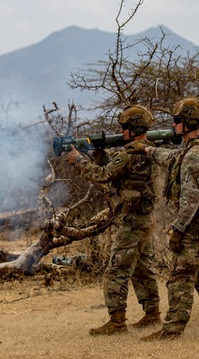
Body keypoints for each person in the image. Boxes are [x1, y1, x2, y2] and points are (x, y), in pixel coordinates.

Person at [140, 97, 199, 340]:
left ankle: (172, 329)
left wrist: (178, 229)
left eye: (176, 121)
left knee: (180, 278)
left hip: (192, 226)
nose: (173, 125)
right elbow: (170, 158)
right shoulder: (193, 151)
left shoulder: (195, 156)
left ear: (188, 122)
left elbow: (191, 200)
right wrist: (146, 149)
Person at [67, 105, 163, 335]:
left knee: (116, 271)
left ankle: (117, 322)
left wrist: (78, 160)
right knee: (142, 268)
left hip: (133, 221)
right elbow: (119, 171)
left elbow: (103, 175)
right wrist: (101, 156)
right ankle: (152, 314)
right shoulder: (148, 150)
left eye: (124, 127)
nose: (121, 131)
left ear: (134, 128)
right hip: (146, 219)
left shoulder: (129, 154)